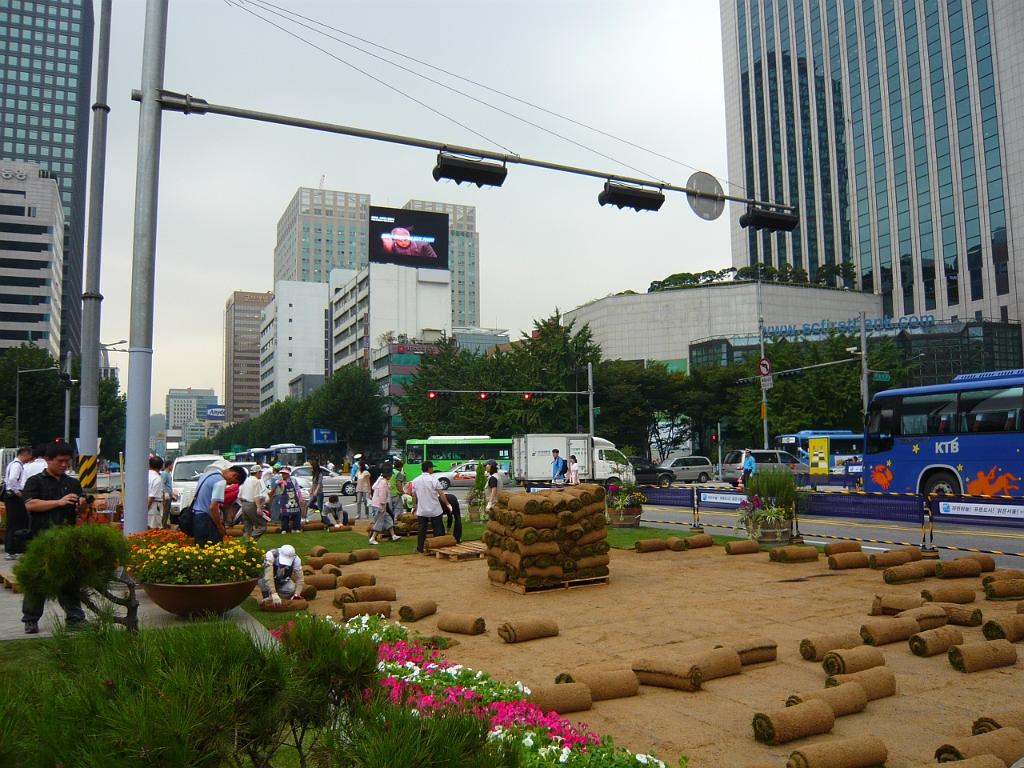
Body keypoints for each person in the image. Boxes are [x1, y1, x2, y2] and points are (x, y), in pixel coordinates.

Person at [21, 441, 89, 634]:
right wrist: (58, 502)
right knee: (37, 580)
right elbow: (30, 505)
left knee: (69, 580)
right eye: (60, 461)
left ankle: (75, 617)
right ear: (48, 460)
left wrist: (81, 506)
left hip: (66, 538)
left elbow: (77, 512)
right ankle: (31, 619)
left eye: (67, 461)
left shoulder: (72, 483)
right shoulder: (35, 481)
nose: (64, 465)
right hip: (40, 538)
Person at [190, 464, 247, 547]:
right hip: (206, 519)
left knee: (200, 548)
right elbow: (213, 507)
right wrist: (219, 526)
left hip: (196, 517)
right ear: (234, 474)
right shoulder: (220, 481)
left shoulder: (208, 475)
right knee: (212, 548)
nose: (229, 484)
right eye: (233, 482)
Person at [411, 460, 449, 554]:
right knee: (437, 528)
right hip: (434, 508)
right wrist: (448, 504)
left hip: (422, 509)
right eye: (432, 468)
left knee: (421, 529)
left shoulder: (416, 480)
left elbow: (414, 495)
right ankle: (437, 547)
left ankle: (420, 547)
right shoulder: (433, 479)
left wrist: (414, 506)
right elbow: (441, 493)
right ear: (429, 468)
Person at [2, 445, 33, 559]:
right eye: (29, 455)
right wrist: (18, 492)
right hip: (14, 497)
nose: (29, 458)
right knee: (15, 523)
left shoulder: (13, 464)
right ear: (25, 454)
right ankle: (12, 550)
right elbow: (12, 480)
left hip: (10, 496)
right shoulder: (17, 465)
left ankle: (12, 549)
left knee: (13, 523)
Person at [368, 465, 401, 545]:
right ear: (388, 475)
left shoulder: (382, 481)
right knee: (379, 521)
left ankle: (393, 535)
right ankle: (372, 538)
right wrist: (383, 507)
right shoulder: (383, 482)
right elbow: (382, 496)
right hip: (380, 505)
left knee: (388, 519)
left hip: (379, 504)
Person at [237, 465, 269, 540]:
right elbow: (256, 496)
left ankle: (248, 545)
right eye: (260, 472)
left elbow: (239, 496)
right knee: (262, 526)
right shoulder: (256, 481)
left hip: (244, 505)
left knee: (248, 526)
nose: (261, 474)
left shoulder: (246, 480)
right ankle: (251, 540)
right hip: (251, 504)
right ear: (257, 473)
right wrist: (258, 507)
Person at [274, 467, 304, 534]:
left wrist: (300, 497)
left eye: (284, 474)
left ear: (287, 474)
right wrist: (281, 482)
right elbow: (276, 482)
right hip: (284, 500)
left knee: (296, 514)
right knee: (284, 515)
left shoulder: (293, 480)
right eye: (282, 474)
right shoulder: (280, 481)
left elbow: (297, 488)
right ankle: (284, 528)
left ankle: (296, 527)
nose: (283, 475)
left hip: (294, 500)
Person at [147, 456, 165, 530]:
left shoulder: (144, 475)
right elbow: (152, 497)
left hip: (142, 505)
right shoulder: (157, 478)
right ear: (161, 466)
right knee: (154, 528)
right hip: (152, 506)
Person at [160, 458, 175, 529]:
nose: (172, 467)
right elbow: (162, 483)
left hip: (169, 494)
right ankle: (163, 524)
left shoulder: (168, 474)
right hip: (166, 495)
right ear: (168, 466)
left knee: (167, 510)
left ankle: (165, 523)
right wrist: (165, 493)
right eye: (171, 466)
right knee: (165, 510)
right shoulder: (164, 474)